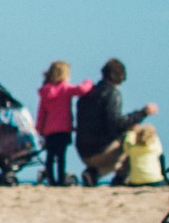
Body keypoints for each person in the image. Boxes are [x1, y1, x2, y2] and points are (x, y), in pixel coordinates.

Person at [76, 58, 158, 187]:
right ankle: (119, 177)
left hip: (83, 150)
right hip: (101, 151)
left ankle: (93, 174)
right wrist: (142, 113)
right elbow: (115, 123)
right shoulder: (112, 94)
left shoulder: (88, 93)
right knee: (130, 140)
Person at [36, 61, 93, 186]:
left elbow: (41, 114)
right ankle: (61, 179)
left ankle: (51, 180)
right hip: (63, 129)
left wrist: (39, 129)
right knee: (61, 157)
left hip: (49, 130)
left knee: (50, 157)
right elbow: (82, 89)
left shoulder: (45, 92)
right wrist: (89, 82)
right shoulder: (65, 89)